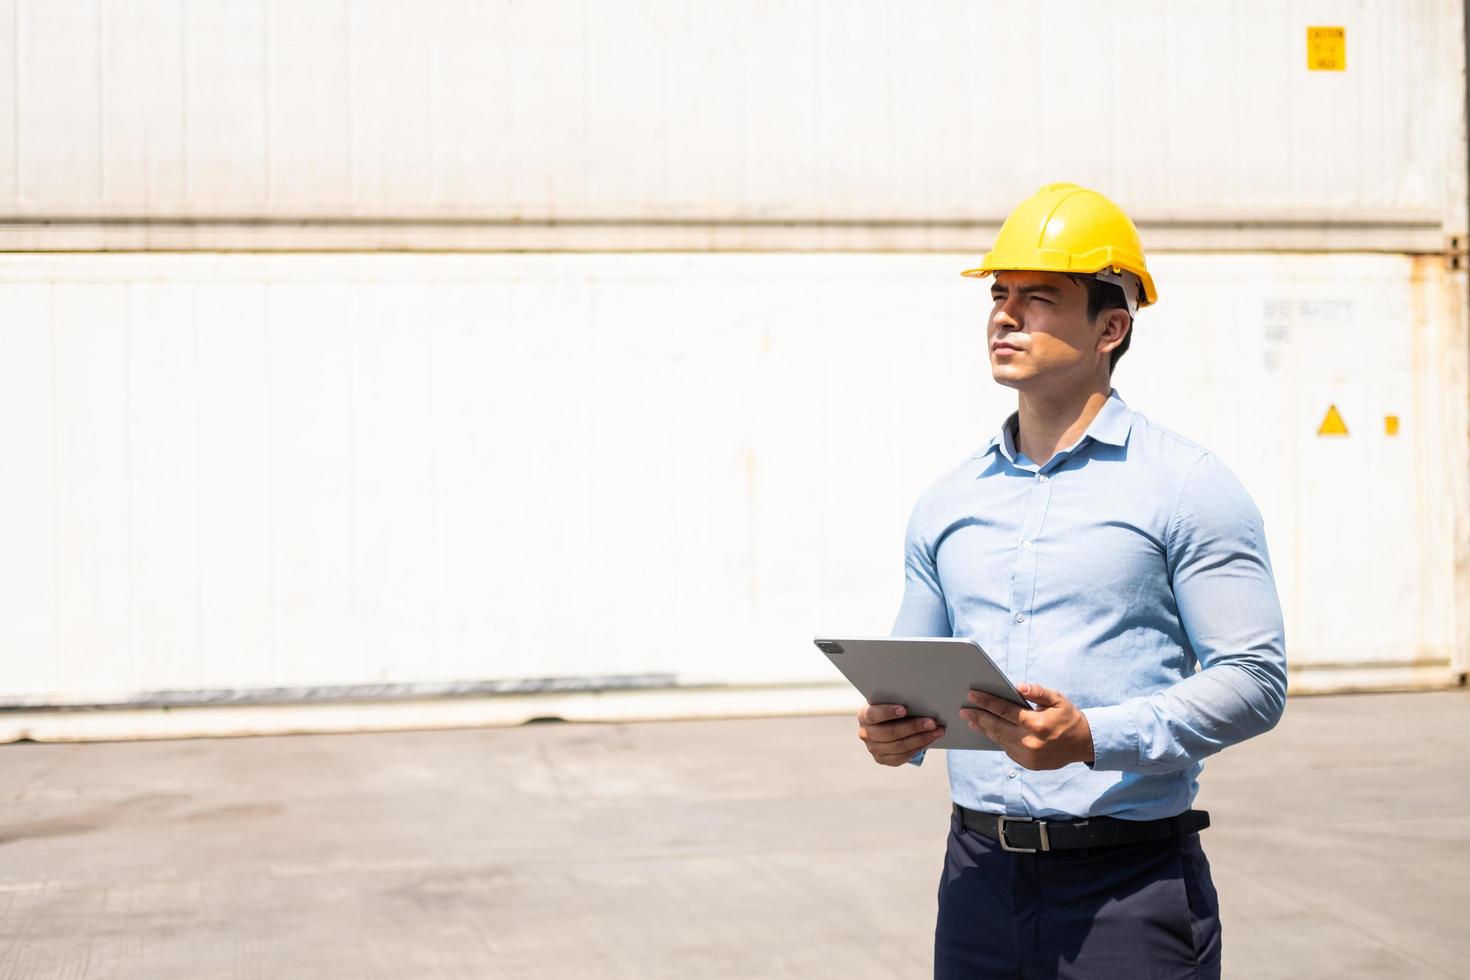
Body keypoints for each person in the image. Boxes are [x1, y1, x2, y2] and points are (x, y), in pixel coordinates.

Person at [854, 183, 1287, 979]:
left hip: (1127, 889)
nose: (1005, 315)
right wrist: (894, 731)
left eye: (1040, 297)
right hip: (977, 880)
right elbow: (914, 675)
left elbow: (1255, 681)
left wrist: (1095, 738)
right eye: (999, 294)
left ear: (1111, 327)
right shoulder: (947, 502)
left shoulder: (1187, 486)